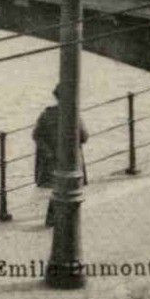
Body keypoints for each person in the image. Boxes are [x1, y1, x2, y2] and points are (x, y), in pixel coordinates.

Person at [33, 85, 88, 227]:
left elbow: (37, 135)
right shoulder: (73, 115)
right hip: (71, 159)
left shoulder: (47, 114)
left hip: (52, 160)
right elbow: (84, 137)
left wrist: (48, 153)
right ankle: (59, 219)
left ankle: (53, 218)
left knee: (56, 187)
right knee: (69, 188)